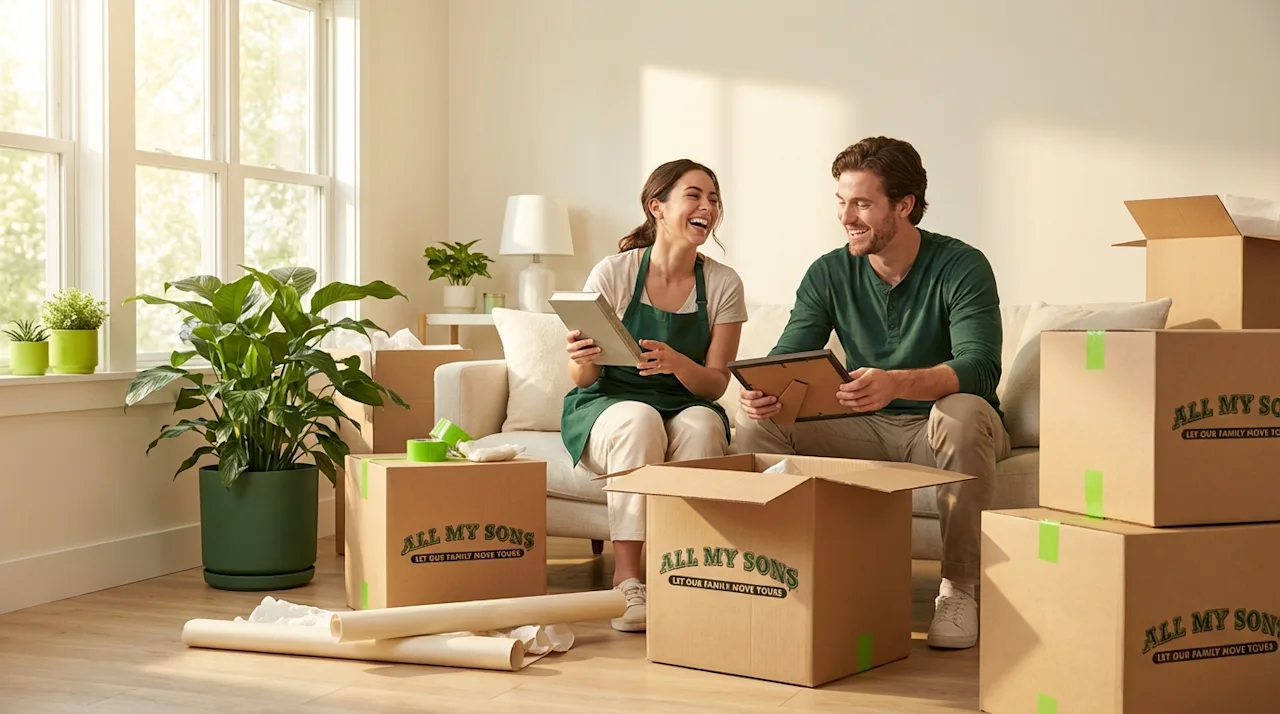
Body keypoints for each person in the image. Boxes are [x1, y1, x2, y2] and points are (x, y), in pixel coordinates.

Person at [734, 136, 1009, 651]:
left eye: (862, 203)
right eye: (841, 201)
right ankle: (780, 575)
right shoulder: (829, 271)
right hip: (861, 429)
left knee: (962, 413)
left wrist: (895, 383)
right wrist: (765, 392)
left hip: (938, 430)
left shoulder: (962, 265)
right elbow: (788, 358)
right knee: (757, 424)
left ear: (903, 206)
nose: (846, 216)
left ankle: (960, 589)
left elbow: (980, 367)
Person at [560, 159, 747, 633]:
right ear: (656, 207)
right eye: (695, 195)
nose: (708, 206)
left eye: (714, 198)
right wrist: (581, 357)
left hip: (687, 401)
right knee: (639, 418)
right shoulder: (615, 273)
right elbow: (582, 379)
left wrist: (677, 363)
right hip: (610, 405)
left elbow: (716, 384)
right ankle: (627, 577)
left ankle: (688, 568)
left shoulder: (723, 283)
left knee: (704, 425)